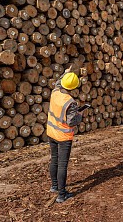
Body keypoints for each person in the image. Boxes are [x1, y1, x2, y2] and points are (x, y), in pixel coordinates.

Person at [47, 65, 83, 203]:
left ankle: (54, 186)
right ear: (73, 87)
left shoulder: (55, 92)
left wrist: (65, 73)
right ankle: (62, 195)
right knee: (62, 165)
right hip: (63, 137)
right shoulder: (71, 102)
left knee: (54, 160)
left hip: (51, 133)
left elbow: (58, 82)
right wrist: (80, 115)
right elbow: (71, 122)